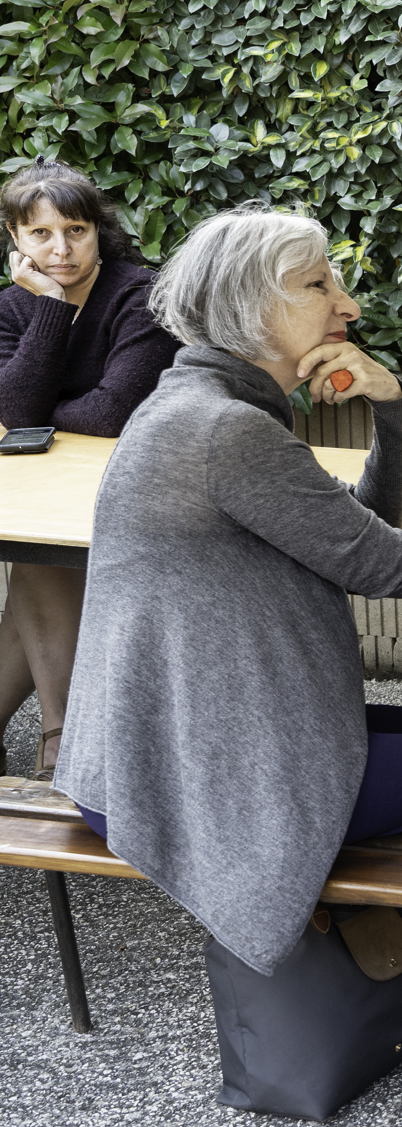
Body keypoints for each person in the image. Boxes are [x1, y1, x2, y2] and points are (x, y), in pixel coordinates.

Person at [50, 207, 402, 1011]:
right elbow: (389, 566)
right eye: (317, 284)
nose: (348, 305)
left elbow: (362, 535)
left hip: (176, 749)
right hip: (186, 774)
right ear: (251, 308)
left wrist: (391, 410)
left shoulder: (201, 409)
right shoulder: (224, 431)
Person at [0, 158, 179, 778]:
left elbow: (114, 413)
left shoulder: (143, 295)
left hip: (147, 485)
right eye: (41, 234)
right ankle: (61, 738)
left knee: (36, 560)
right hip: (59, 489)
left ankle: (61, 737)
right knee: (36, 555)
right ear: (14, 240)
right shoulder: (12, 307)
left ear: (97, 230)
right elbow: (15, 407)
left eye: (76, 230)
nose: (61, 248)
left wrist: (38, 411)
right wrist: (49, 306)